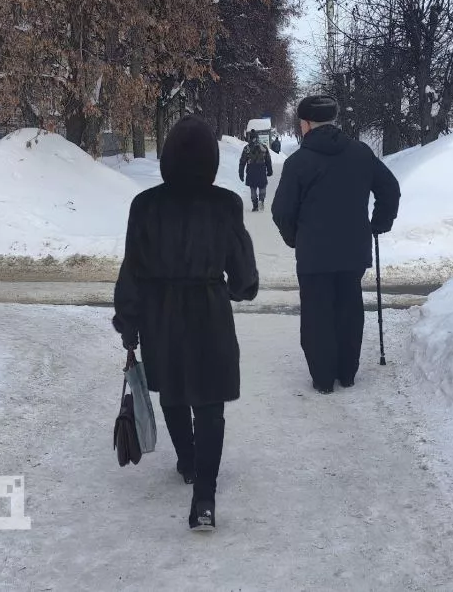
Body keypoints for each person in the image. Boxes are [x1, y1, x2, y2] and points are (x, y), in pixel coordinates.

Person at [113, 115, 260, 531]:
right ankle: (205, 499)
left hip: (161, 317)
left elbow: (132, 271)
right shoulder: (226, 205)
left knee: (174, 393)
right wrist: (234, 289)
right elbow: (244, 279)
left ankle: (188, 461)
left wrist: (129, 323)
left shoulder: (145, 206)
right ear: (211, 160)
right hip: (209, 315)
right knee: (210, 406)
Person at [271, 95, 401, 394]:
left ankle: (323, 378)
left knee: (317, 315)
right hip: (353, 250)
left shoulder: (298, 162)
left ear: (306, 124)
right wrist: (380, 222)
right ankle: (347, 372)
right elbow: (389, 188)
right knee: (348, 309)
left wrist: (294, 238)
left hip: (313, 255)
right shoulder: (360, 153)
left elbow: (282, 211)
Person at [238, 130, 274, 212]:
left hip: (251, 171)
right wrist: (269, 170)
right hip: (261, 170)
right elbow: (268, 160)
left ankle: (255, 205)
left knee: (253, 188)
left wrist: (241, 173)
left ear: (250, 138)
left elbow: (242, 161)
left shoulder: (247, 148)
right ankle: (261, 201)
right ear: (257, 137)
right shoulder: (263, 147)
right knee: (262, 187)